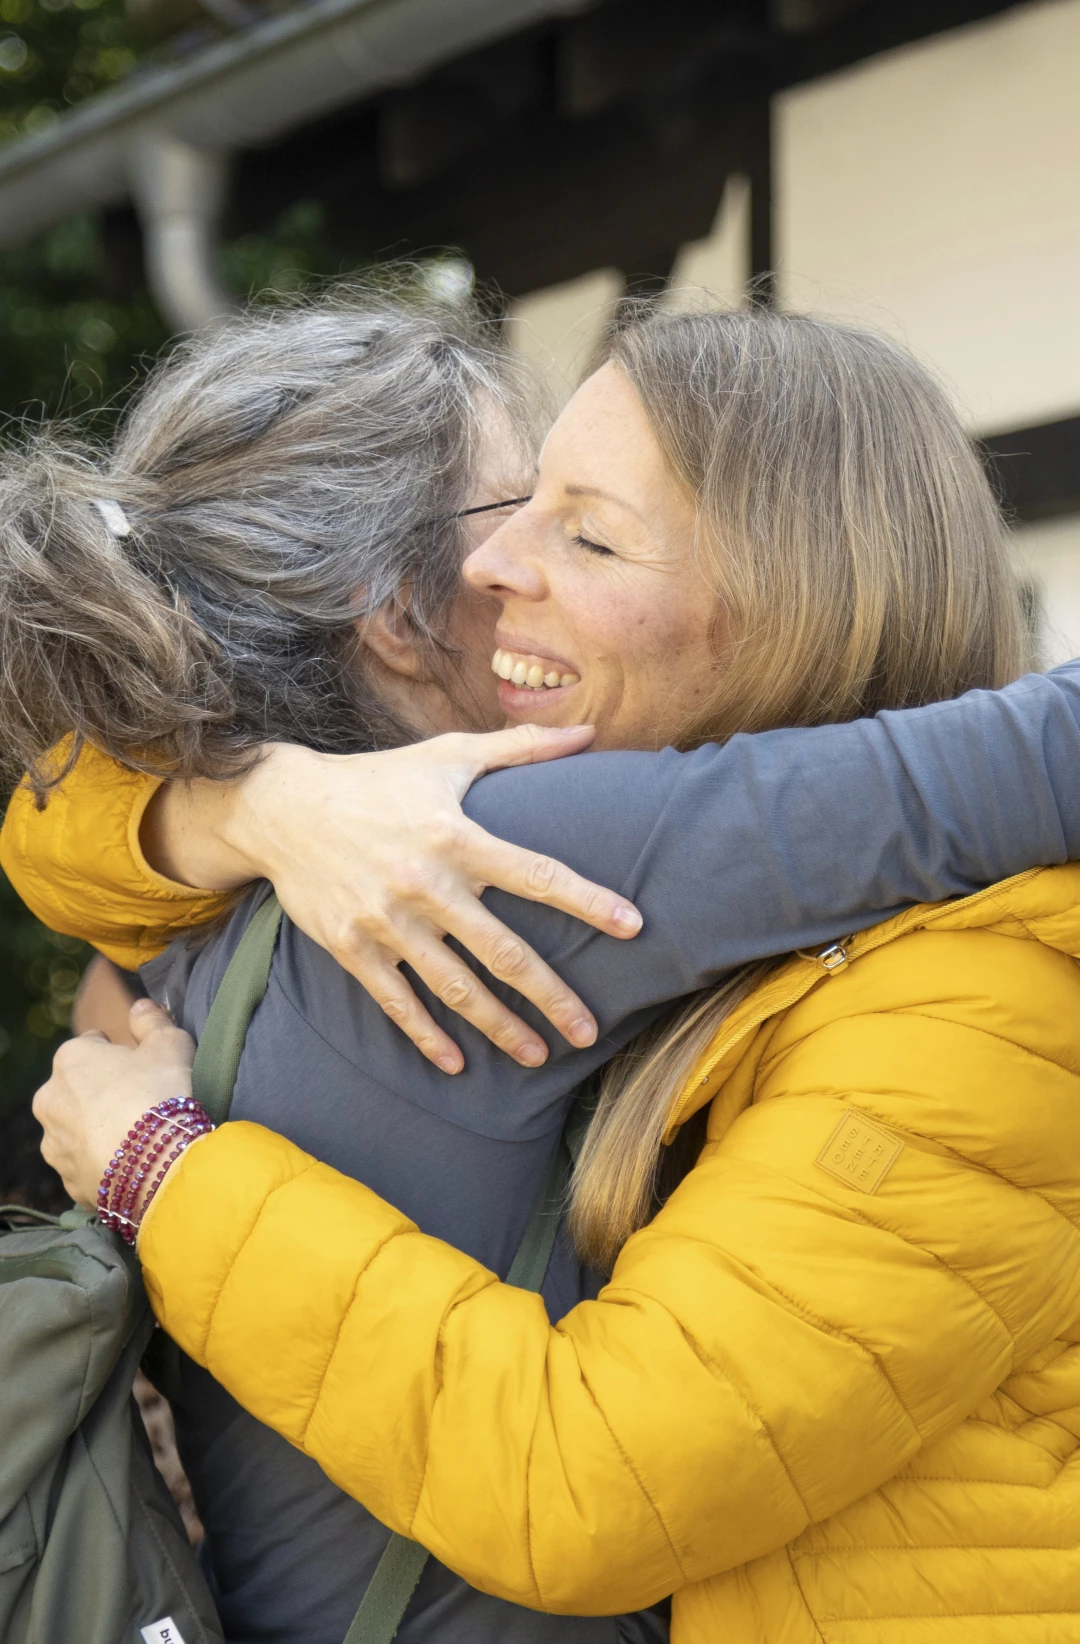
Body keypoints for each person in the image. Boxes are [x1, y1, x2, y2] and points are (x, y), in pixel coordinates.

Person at [12, 300, 1080, 1641]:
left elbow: (48, 820)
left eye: (581, 526)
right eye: (508, 509)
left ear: (793, 590)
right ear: (389, 615)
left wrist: (165, 1152)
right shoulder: (479, 851)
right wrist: (262, 809)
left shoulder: (282, 892)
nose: (508, 563)